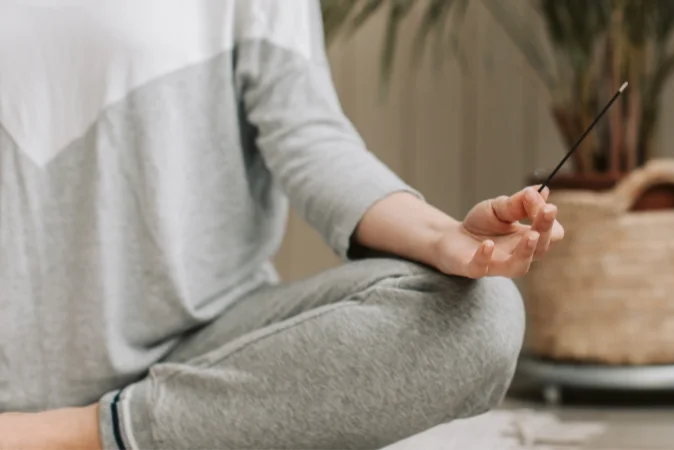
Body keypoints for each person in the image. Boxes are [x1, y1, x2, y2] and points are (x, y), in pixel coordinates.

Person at [0, 1, 564, 449]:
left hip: (203, 348)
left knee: (478, 315)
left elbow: (308, 134)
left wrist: (443, 238)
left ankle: (81, 435)